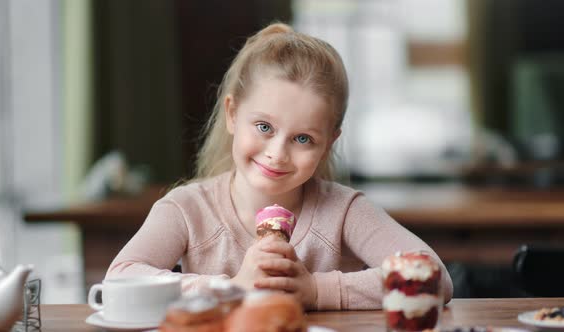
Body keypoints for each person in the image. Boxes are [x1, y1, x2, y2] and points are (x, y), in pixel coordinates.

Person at [106, 22, 453, 310]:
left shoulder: (344, 212)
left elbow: (434, 276)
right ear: (232, 114)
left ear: (329, 142)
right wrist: (229, 288)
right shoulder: (186, 209)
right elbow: (118, 278)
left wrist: (318, 291)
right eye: (264, 128)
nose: (277, 153)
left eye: (303, 139)